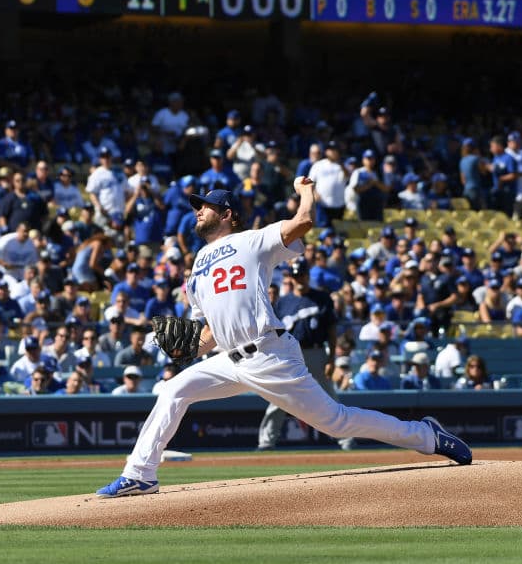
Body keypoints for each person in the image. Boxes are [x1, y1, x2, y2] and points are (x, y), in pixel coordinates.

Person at [95, 181, 471, 498]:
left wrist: (304, 191)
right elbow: (209, 330)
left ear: (227, 214)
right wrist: (188, 348)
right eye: (198, 207)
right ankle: (141, 474)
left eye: (207, 206)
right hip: (230, 358)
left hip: (269, 353)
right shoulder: (197, 265)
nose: (198, 211)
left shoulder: (252, 240)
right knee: (173, 390)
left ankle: (426, 436)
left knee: (337, 422)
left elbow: (303, 221)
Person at [258, 256, 355, 450]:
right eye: (296, 275)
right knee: (279, 397)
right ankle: (266, 443)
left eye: (302, 275)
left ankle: (346, 440)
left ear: (308, 275)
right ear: (291, 278)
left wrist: (331, 359)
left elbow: (331, 330)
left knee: (329, 398)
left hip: (316, 352)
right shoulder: (283, 302)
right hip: (290, 354)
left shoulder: (322, 298)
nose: (299, 278)